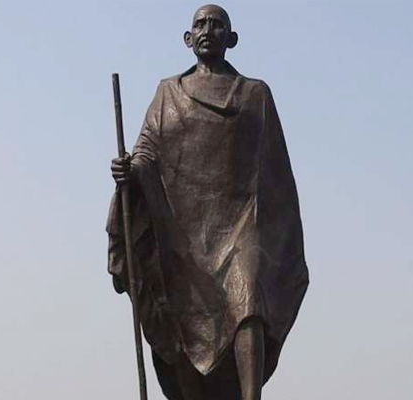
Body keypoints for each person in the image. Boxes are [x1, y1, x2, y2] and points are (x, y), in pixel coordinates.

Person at [107, 5, 309, 400]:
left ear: (231, 39)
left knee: (249, 299)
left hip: (241, 223)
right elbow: (147, 150)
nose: (208, 31)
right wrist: (130, 169)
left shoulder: (255, 94)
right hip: (182, 228)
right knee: (179, 318)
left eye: (217, 25)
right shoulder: (168, 93)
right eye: (200, 24)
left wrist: (274, 232)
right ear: (188, 38)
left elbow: (275, 173)